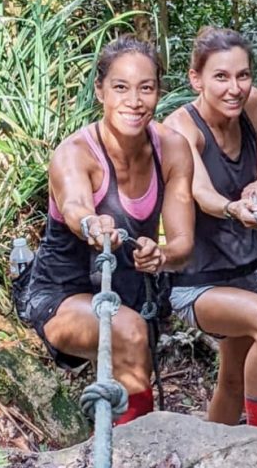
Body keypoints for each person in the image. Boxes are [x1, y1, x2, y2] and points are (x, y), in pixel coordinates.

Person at [26, 36, 194, 426]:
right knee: (130, 332)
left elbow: (183, 243)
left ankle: (127, 449)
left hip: (133, 293)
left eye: (146, 88)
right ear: (100, 90)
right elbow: (74, 205)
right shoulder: (75, 153)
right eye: (120, 87)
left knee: (132, 335)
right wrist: (91, 223)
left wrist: (162, 255)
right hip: (63, 294)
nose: (134, 101)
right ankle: (134, 459)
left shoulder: (173, 149)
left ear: (159, 92)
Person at [164, 27, 257, 428]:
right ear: (195, 78)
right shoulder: (181, 128)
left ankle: (215, 456)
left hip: (247, 269)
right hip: (197, 281)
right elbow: (199, 191)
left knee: (232, 380)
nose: (234, 88)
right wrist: (234, 208)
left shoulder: (251, 106)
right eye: (221, 77)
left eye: (243, 75)